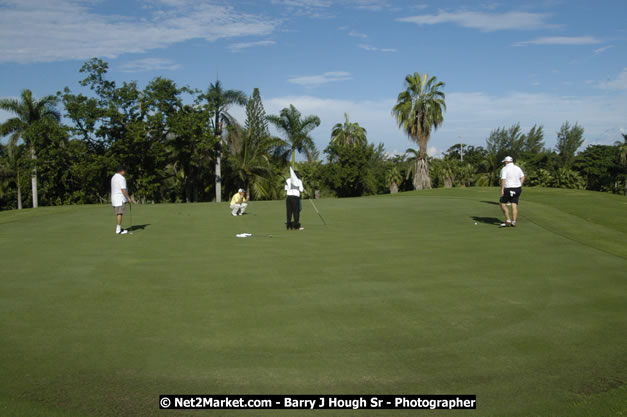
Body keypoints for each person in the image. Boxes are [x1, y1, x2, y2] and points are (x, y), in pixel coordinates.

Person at [499, 156, 525, 227]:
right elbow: (523, 176)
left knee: (502, 203)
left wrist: (502, 190)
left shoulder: (504, 169)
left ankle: (508, 219)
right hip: (518, 189)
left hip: (508, 188)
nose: (504, 162)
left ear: (507, 161)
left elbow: (503, 179)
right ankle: (514, 222)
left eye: (505, 161)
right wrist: (520, 184)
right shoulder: (517, 168)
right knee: (514, 204)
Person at [111, 166, 134, 235]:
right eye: (125, 171)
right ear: (122, 171)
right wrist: (128, 198)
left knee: (119, 213)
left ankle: (118, 228)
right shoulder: (121, 178)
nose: (125, 172)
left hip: (115, 198)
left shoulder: (114, 177)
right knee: (120, 213)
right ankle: (118, 230)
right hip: (119, 199)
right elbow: (123, 189)